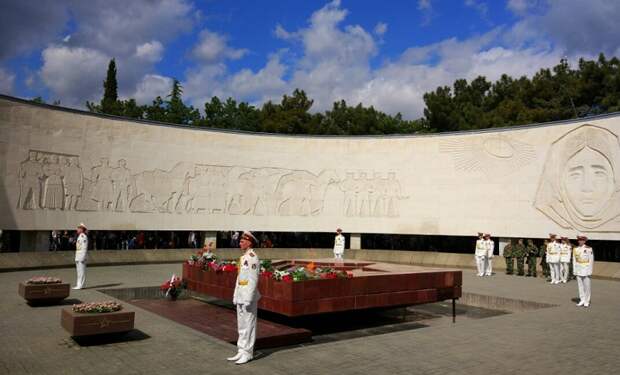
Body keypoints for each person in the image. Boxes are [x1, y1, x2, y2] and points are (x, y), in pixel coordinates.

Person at [227, 231, 261, 365]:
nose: (240, 242)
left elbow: (253, 279)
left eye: (242, 241)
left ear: (249, 242)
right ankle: (241, 349)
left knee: (249, 325)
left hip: (248, 296)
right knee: (241, 324)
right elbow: (240, 278)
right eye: (240, 240)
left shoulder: (252, 257)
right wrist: (236, 294)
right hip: (241, 294)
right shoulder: (244, 257)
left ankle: (248, 352)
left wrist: (249, 297)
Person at [573, 235, 594, 307]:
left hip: (586, 269)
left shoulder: (589, 249)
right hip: (578, 269)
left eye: (582, 240)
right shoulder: (575, 249)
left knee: (587, 286)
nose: (580, 241)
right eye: (579, 240)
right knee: (580, 286)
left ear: (584, 241)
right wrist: (574, 270)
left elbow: (591, 260)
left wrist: (590, 271)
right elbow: (574, 260)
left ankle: (587, 301)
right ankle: (582, 300)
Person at [74, 223, 89, 290]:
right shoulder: (79, 236)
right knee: (79, 272)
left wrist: (83, 257)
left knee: (82, 272)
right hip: (78, 256)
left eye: (78, 228)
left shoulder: (83, 237)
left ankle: (81, 285)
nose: (77, 229)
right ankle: (78, 284)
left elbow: (84, 247)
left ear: (81, 229)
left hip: (81, 257)